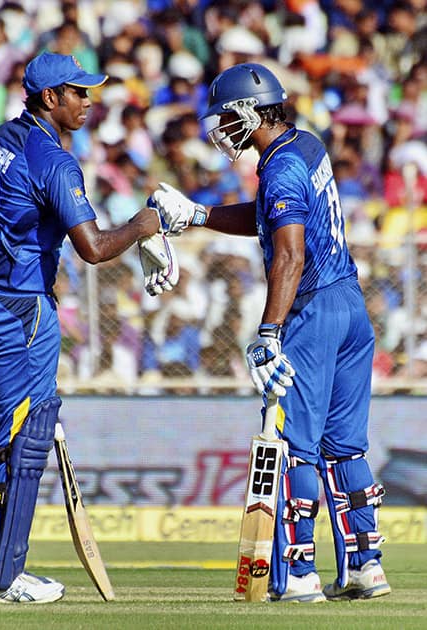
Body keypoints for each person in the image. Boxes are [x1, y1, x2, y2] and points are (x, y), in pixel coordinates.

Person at [151, 62, 391, 603]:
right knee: (345, 447)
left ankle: (301, 573)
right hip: (350, 307)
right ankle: (365, 566)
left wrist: (268, 331)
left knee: (294, 446)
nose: (221, 130)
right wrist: (197, 215)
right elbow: (268, 219)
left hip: (310, 309)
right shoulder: (303, 146)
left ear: (248, 112)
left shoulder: (280, 170)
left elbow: (288, 251)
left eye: (226, 117)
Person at [0, 51, 171, 604]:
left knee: (10, 435)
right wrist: (145, 224)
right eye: (78, 92)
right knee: (25, 439)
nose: (88, 101)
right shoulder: (53, 159)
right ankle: (3, 576)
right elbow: (95, 248)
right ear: (49, 98)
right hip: (18, 307)